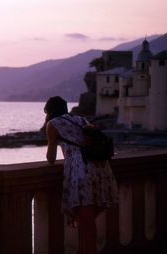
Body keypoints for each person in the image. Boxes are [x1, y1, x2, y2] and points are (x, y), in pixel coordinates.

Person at [44, 96, 118, 254]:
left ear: (49, 111)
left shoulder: (52, 124)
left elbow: (51, 158)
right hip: (100, 169)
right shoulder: (81, 119)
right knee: (87, 226)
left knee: (88, 227)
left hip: (80, 171)